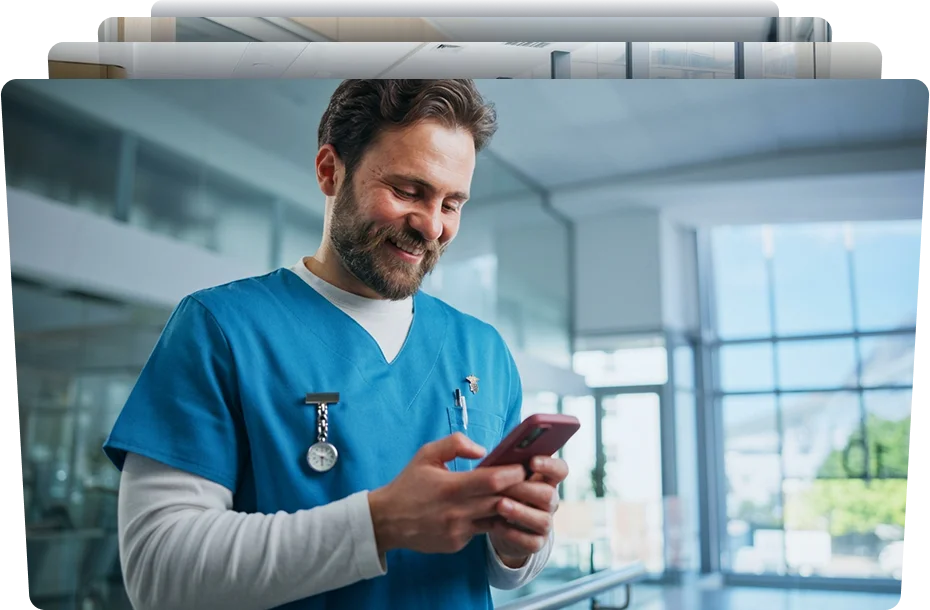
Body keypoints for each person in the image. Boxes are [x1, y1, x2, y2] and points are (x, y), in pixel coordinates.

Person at [103, 79, 570, 610]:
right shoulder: (220, 328)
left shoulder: (483, 351)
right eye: (407, 191)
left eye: (452, 203)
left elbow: (501, 572)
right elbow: (158, 574)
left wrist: (518, 544)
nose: (431, 225)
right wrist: (379, 524)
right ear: (330, 170)